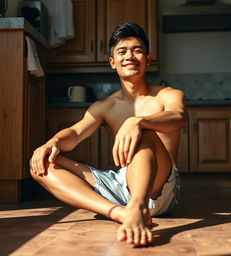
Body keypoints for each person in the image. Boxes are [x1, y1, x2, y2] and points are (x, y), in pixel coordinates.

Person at [30, 22, 187, 246]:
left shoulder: (167, 95)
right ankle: (119, 213)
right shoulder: (105, 106)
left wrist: (138, 121)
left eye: (137, 50)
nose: (129, 56)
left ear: (148, 59)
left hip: (160, 189)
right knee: (41, 164)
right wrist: (52, 142)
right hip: (121, 184)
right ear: (113, 62)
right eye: (122, 52)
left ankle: (139, 207)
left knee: (144, 132)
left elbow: (179, 117)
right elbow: (75, 132)